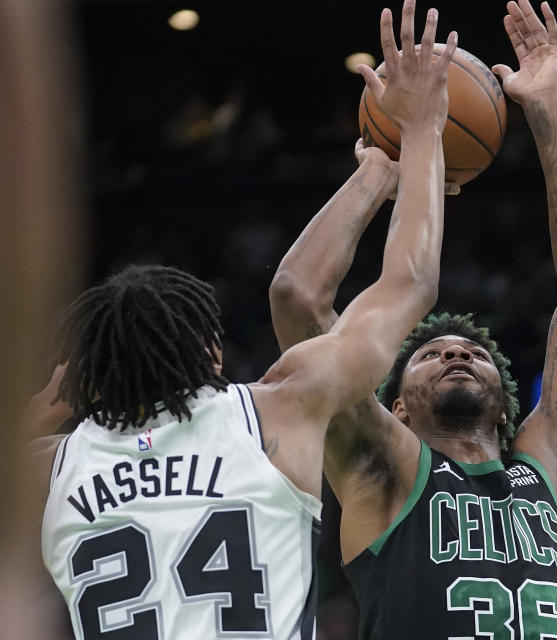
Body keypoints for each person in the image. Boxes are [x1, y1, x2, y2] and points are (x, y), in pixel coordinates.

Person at [35, 2, 457, 637]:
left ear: (90, 381)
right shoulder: (278, 411)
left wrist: (45, 408)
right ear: (211, 353)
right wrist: (420, 131)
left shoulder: (46, 469)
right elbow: (408, 282)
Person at [269, 1, 557, 637]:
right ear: (396, 408)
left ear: (507, 408)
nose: (456, 353)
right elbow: (298, 298)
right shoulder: (381, 467)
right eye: (429, 355)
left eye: (473, 352)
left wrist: (546, 107)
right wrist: (378, 175)